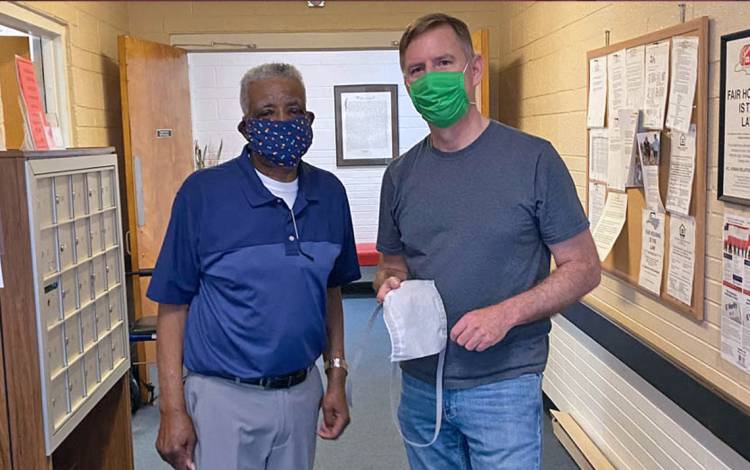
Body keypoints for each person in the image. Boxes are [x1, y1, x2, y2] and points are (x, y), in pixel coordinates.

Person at [374, 14, 601, 470]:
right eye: (417, 70)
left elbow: (583, 268)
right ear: (406, 83)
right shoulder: (399, 176)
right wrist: (390, 284)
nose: (430, 78)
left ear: (473, 70)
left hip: (504, 384)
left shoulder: (533, 160)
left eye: (443, 62)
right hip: (423, 384)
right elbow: (392, 264)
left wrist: (506, 314)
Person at [148, 63, 361, 470]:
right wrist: (171, 409)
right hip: (223, 398)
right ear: (246, 125)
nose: (282, 121)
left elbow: (330, 293)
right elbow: (173, 307)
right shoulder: (203, 194)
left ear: (309, 119)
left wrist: (336, 377)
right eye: (266, 113)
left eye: (294, 110)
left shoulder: (330, 194)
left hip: (301, 392)